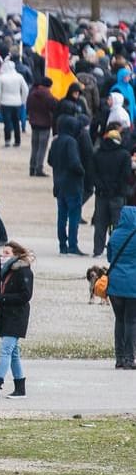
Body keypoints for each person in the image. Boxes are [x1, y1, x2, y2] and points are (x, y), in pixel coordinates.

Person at [0, 242, 33, 399]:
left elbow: (25, 295)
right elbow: (0, 289)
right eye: (2, 253)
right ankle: (20, 388)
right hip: (7, 314)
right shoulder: (6, 270)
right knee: (14, 353)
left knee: (6, 350)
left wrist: (2, 298)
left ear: (16, 255)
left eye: (7, 253)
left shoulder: (23, 271)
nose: (3, 256)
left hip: (17, 316)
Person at [88, 128, 131, 257]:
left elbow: (92, 174)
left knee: (100, 224)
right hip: (117, 195)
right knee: (118, 226)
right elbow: (126, 175)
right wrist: (116, 188)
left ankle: (98, 250)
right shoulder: (124, 154)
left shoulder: (97, 153)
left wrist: (101, 186)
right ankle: (116, 252)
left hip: (101, 195)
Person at [47, 115, 86, 255]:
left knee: (62, 216)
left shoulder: (56, 141)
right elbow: (74, 162)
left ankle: (62, 244)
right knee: (74, 216)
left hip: (58, 183)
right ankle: (73, 245)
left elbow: (50, 160)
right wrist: (82, 172)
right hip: (72, 184)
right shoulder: (71, 141)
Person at [107, 204, 136, 370]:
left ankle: (119, 358)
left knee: (119, 320)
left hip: (115, 284)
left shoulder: (115, 234)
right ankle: (130, 358)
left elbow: (110, 258)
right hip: (132, 284)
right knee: (131, 321)